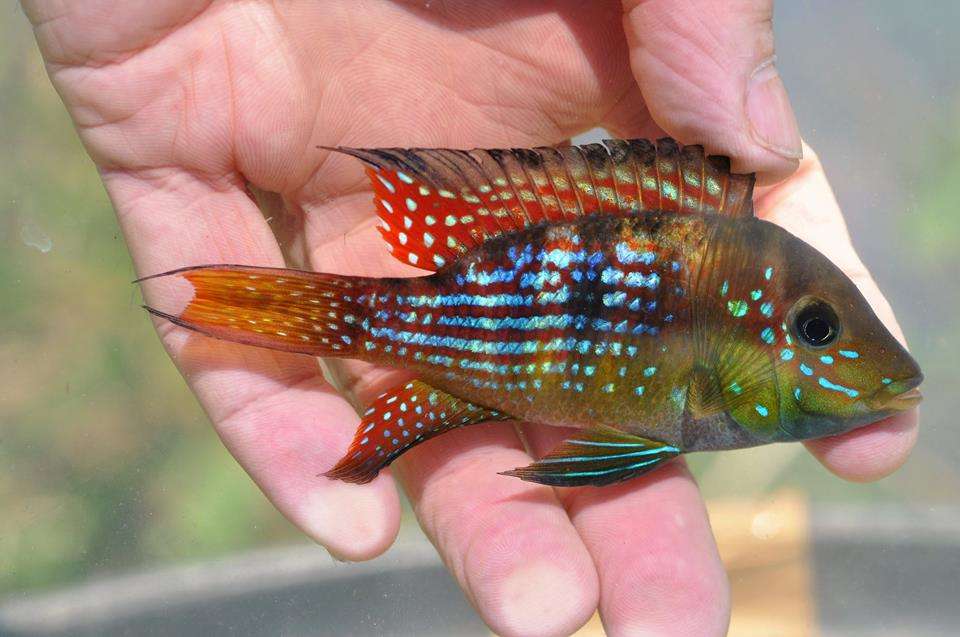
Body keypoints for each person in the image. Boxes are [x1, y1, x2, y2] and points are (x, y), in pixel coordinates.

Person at [22, 1, 919, 635]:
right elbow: (623, 445)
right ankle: (229, 301)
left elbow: (622, 447)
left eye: (819, 328)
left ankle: (232, 302)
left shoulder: (736, 283)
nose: (837, 351)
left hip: (473, 341)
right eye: (816, 327)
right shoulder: (718, 308)